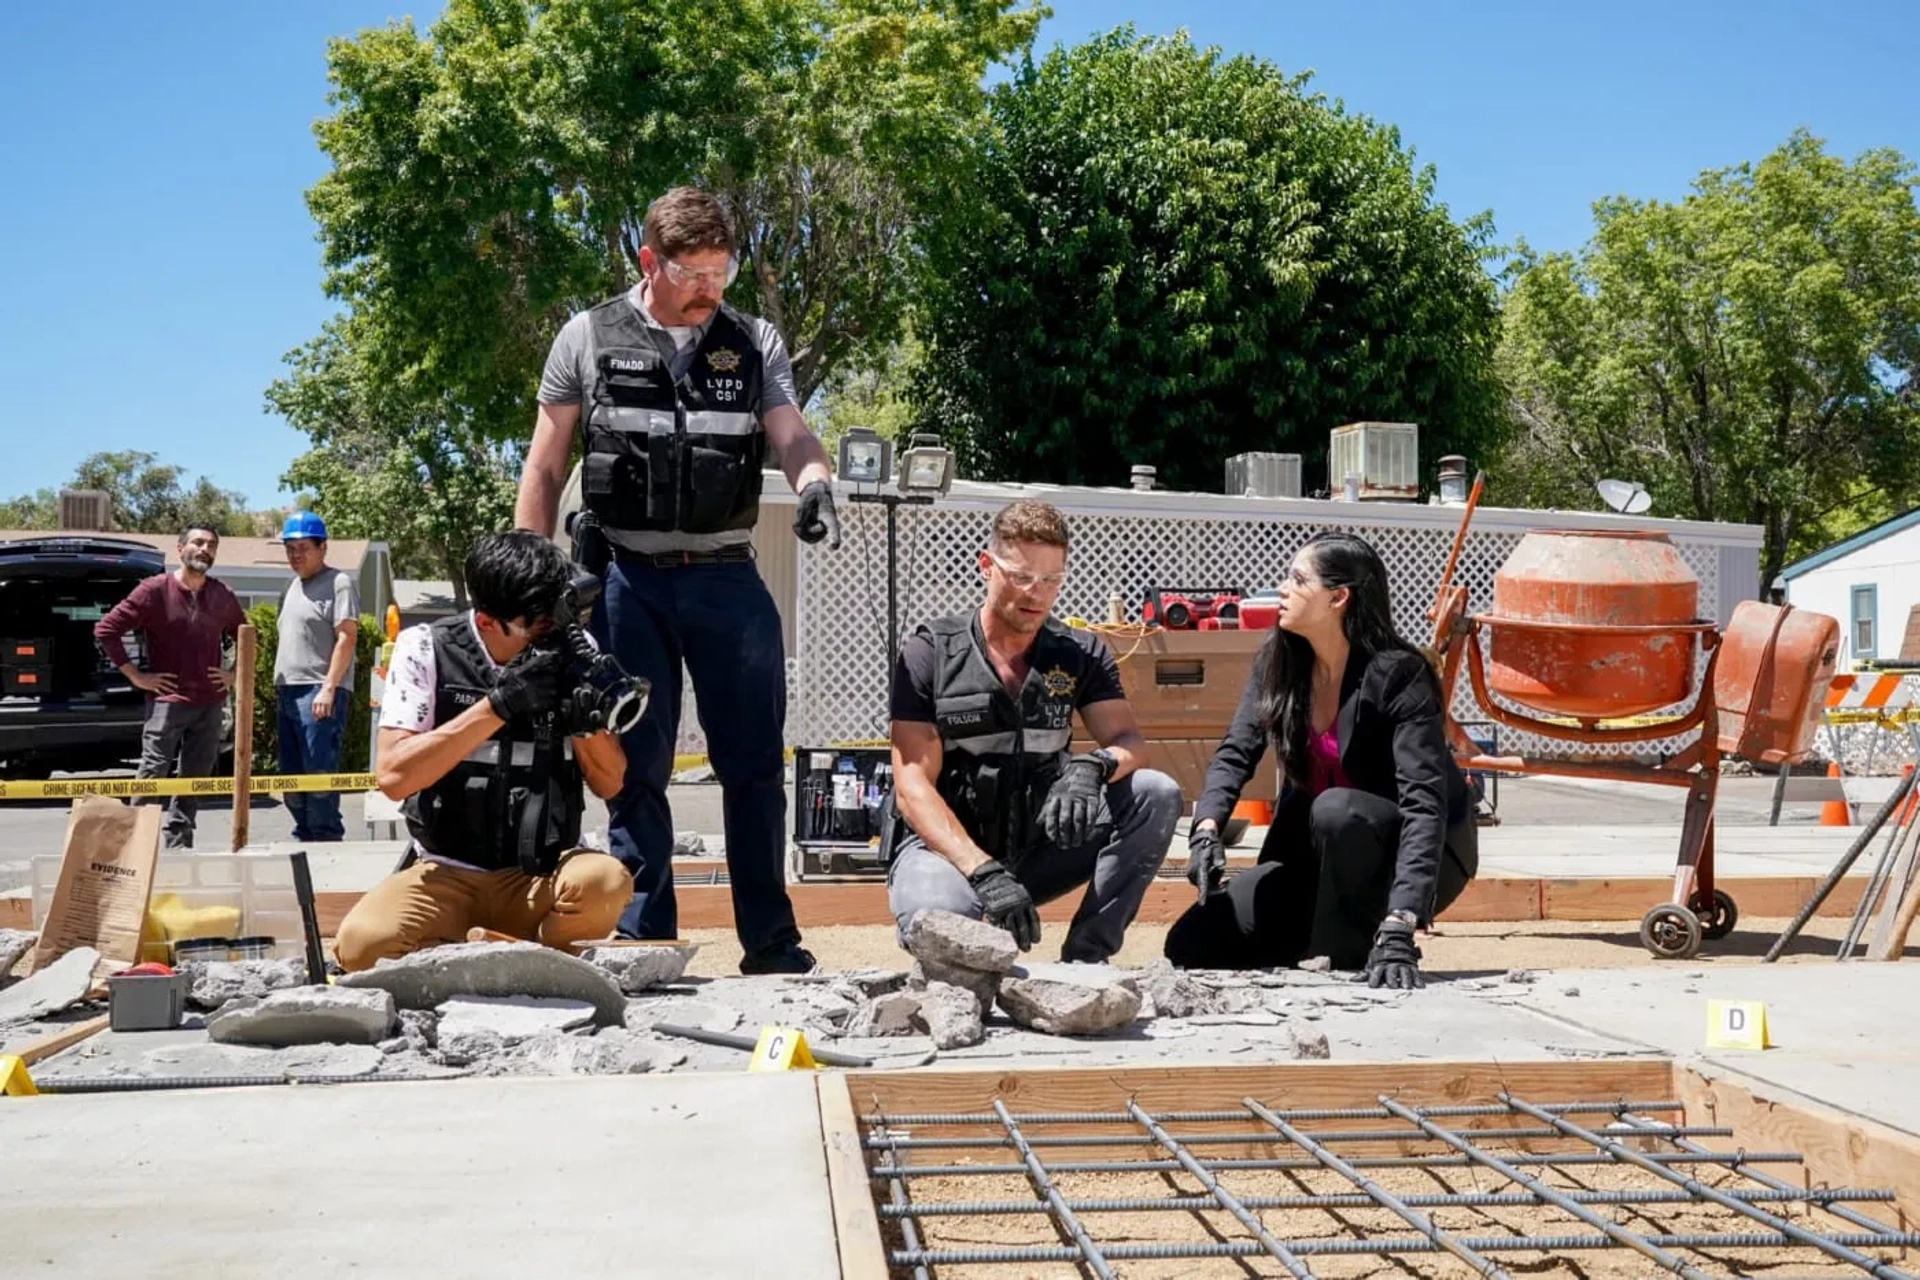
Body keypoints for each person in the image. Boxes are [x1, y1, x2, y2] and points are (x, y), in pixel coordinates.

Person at [514, 185, 836, 975]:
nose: (710, 289)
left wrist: (818, 482)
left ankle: (771, 941)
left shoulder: (754, 340)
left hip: (728, 578)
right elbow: (547, 462)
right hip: (626, 578)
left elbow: (791, 433)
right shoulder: (585, 337)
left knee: (755, 766)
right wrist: (527, 573)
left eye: (722, 271)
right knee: (636, 766)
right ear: (648, 260)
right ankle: (646, 934)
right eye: (693, 272)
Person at [1164, 532, 1479, 987]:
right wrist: (1207, 828)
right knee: (1194, 943)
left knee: (1336, 809)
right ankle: (1322, 944)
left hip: (1412, 855)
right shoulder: (1279, 660)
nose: (1282, 589)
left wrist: (1403, 917)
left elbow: (1424, 805)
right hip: (1320, 852)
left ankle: (1359, 948)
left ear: (1338, 598)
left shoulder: (1399, 675)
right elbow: (1236, 751)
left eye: (1297, 579)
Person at [886, 500, 1182, 961]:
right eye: (1021, 577)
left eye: (1050, 581)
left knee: (1155, 792)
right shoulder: (932, 653)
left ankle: (1087, 959)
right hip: (946, 855)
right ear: (986, 566)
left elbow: (1130, 744)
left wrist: (1095, 766)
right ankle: (967, 931)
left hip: (1039, 846)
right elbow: (911, 788)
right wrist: (982, 870)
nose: (1036, 593)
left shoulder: (1080, 652)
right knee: (942, 923)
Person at [333, 531, 633, 971]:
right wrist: (499, 705)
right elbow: (394, 778)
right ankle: (508, 957)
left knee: (605, 882)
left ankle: (525, 961)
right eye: (538, 625)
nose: (548, 634)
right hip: (446, 871)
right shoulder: (426, 648)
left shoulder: (575, 650)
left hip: (538, 876)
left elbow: (612, 782)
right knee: (362, 946)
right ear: (489, 621)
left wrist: (583, 721)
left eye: (556, 618)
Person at [94, 523, 245, 849]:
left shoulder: (222, 595)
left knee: (194, 781)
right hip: (167, 701)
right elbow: (106, 630)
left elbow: (248, 636)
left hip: (210, 703)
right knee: (152, 774)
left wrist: (234, 673)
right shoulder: (154, 590)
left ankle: (179, 850)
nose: (205, 549)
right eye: (198, 542)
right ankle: (135, 850)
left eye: (211, 545)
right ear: (180, 549)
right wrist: (137, 676)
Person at [273, 511, 360, 843]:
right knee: (291, 782)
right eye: (290, 549)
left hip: (319, 691)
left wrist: (329, 688)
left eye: (303, 547)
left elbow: (347, 637)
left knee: (319, 775)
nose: (295, 555)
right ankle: (305, 837)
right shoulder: (291, 587)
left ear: (323, 547)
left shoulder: (339, 583)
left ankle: (325, 841)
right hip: (288, 692)